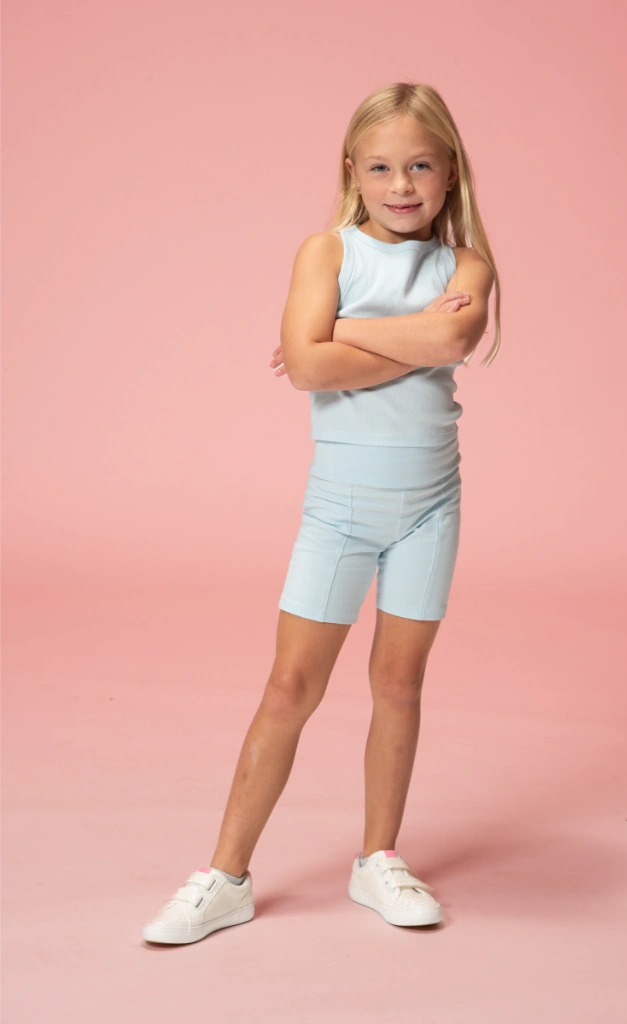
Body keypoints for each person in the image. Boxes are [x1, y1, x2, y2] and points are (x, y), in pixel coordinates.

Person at [141, 81, 499, 945]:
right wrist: (385, 337)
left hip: (430, 506)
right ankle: (225, 876)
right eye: (380, 167)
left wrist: (341, 331)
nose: (401, 184)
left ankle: (378, 859)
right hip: (338, 510)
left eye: (420, 166)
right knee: (290, 686)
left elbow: (451, 340)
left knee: (398, 685)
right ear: (351, 171)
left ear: (451, 172)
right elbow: (306, 370)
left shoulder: (467, 268)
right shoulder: (326, 252)